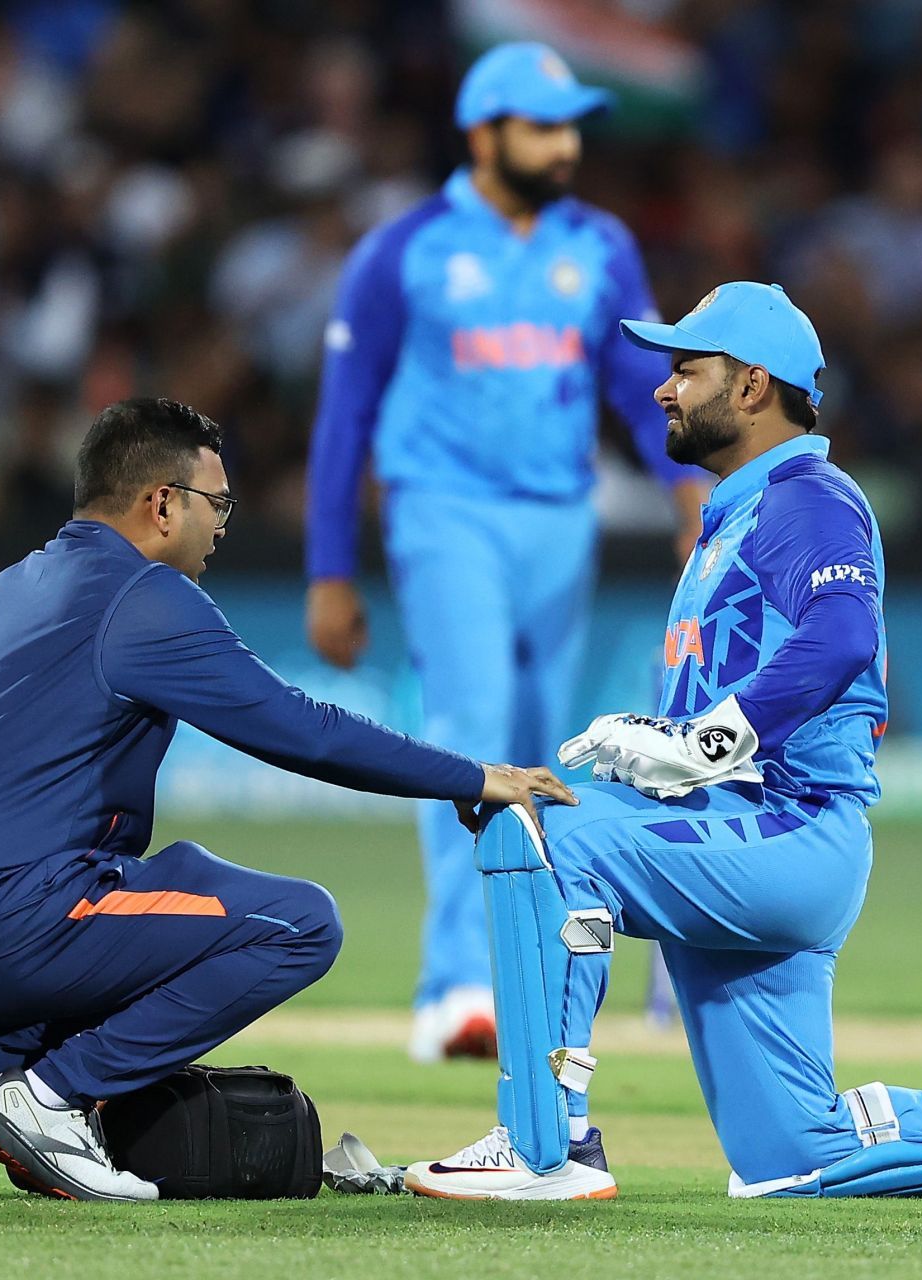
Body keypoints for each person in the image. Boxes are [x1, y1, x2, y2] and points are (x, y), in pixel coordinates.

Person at [404, 284, 922, 1203]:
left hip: (786, 834)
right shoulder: (740, 513)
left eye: (683, 370)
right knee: (792, 1162)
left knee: (544, 839)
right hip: (749, 839)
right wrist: (669, 744)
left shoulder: (808, 497)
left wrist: (704, 744)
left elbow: (841, 636)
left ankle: (545, 1145)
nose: (663, 391)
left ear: (752, 387)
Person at [0, 397, 575, 1202]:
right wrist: (473, 777)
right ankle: (52, 1098)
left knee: (156, 903)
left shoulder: (18, 582)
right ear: (162, 504)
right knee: (294, 925)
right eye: (217, 503)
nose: (223, 524)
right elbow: (303, 729)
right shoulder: (142, 597)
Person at [303, 42, 707, 1064]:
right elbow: (345, 416)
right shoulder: (405, 250)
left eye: (573, 125)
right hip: (443, 511)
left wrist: (684, 483)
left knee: (538, 743)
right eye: (542, 125)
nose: (565, 144)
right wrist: (329, 569)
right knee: (471, 728)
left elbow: (632, 382)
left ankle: (524, 971)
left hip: (559, 519)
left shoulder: (600, 244)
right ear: (483, 134)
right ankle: (455, 987)